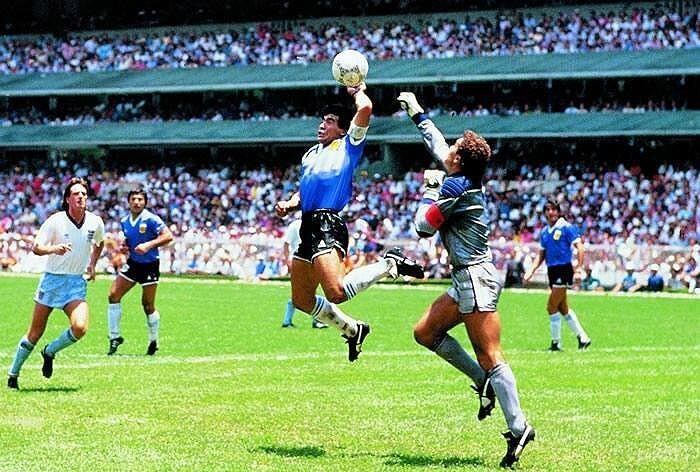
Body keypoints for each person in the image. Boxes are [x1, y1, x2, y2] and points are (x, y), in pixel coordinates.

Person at [397, 91, 535, 468]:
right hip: (466, 278)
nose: (449, 148)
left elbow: (422, 227)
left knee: (490, 353)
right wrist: (418, 114)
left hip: (475, 278)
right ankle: (483, 382)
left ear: (459, 160)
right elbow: (439, 145)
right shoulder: (462, 176)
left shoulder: (457, 188)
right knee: (425, 332)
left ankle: (519, 426)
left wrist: (427, 189)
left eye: (455, 147)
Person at [275, 82, 424, 362]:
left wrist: (357, 90)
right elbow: (304, 188)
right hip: (308, 223)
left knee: (337, 292)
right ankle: (353, 329)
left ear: (342, 129)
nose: (322, 125)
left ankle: (389, 264)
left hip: (327, 223)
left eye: (329, 121)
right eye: (322, 120)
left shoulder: (348, 146)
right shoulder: (310, 154)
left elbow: (366, 108)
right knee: (302, 300)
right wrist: (290, 203)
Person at [7, 177, 105, 390]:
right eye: (76, 194)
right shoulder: (55, 221)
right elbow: (36, 247)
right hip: (52, 280)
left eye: (84, 194)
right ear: (67, 199)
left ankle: (50, 351)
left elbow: (100, 242)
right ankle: (13, 374)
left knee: (80, 327)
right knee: (35, 332)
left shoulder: (95, 222)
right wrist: (54, 249)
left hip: (76, 282)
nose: (81, 197)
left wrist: (92, 265)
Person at [107, 189, 173, 355]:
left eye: (140, 199)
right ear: (128, 202)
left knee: (148, 305)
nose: (136, 202)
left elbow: (168, 236)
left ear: (145, 202)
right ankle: (114, 337)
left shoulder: (151, 219)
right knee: (113, 295)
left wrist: (148, 245)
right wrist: (125, 246)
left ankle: (153, 341)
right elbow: (129, 241)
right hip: (133, 263)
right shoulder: (125, 221)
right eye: (133, 199)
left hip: (150, 265)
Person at [523, 199, 592, 351]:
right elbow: (541, 255)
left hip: (563, 269)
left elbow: (580, 248)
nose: (550, 212)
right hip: (552, 270)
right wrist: (531, 271)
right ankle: (583, 338)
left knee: (551, 306)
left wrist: (579, 269)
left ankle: (556, 343)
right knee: (563, 307)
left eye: (553, 209)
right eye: (548, 210)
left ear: (558, 211)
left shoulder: (567, 227)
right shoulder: (544, 232)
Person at [281, 218, 327, 329]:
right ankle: (314, 321)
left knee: (307, 291)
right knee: (302, 292)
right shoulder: (297, 225)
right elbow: (286, 244)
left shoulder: (314, 224)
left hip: (309, 261)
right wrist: (287, 261)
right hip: (301, 260)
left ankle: (288, 321)